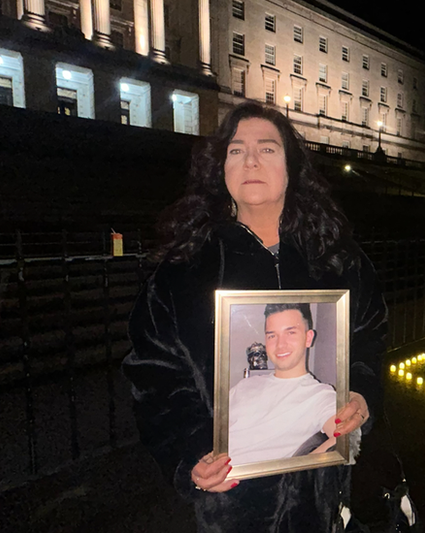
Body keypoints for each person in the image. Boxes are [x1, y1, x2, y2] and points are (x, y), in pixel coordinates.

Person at [121, 102, 388, 532]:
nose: (250, 161)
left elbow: (369, 335)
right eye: (236, 150)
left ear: (291, 168)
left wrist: (361, 392)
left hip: (324, 494)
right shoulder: (183, 271)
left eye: (267, 149)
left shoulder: (336, 260)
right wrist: (190, 454)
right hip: (236, 504)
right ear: (220, 169)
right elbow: (155, 375)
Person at [227, 303, 338, 466]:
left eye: (290, 333)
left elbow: (345, 439)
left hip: (249, 485)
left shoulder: (321, 395)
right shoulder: (245, 385)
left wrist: (293, 475)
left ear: (308, 338)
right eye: (272, 335)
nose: (280, 344)